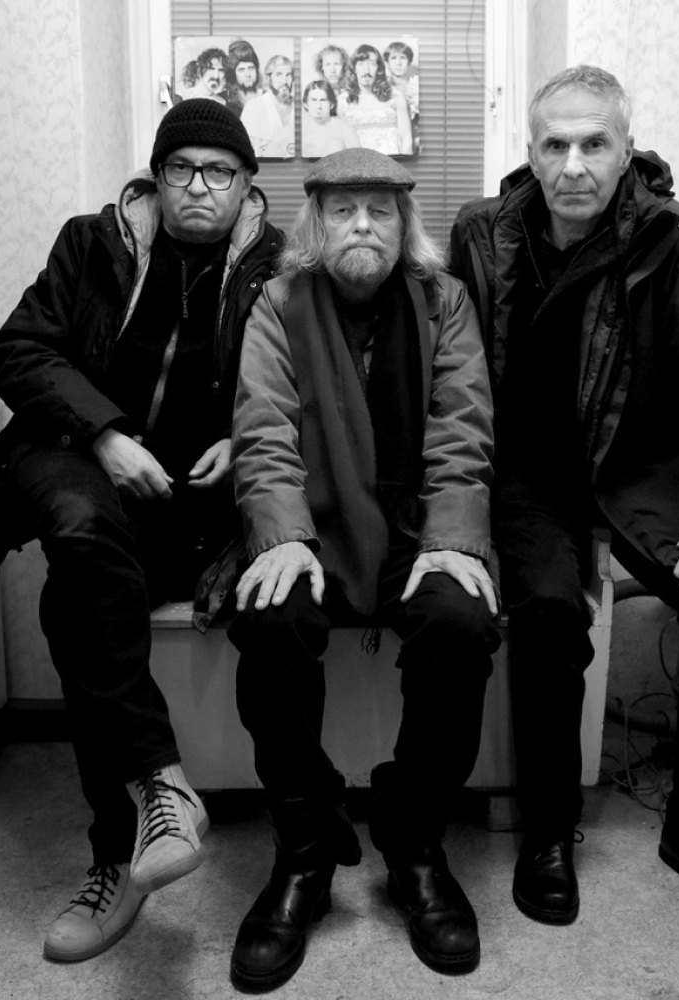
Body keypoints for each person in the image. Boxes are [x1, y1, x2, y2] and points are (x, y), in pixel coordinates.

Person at [449, 65, 679, 932]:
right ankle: (546, 832)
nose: (574, 165)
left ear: (626, 150)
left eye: (594, 144)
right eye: (555, 145)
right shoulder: (481, 234)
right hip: (529, 468)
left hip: (643, 458)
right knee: (548, 611)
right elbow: (449, 370)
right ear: (531, 152)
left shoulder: (678, 238)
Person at [0, 100, 284, 962]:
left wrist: (245, 437)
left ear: (247, 186)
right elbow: (19, 350)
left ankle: (123, 846)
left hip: (192, 501)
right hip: (76, 457)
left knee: (74, 603)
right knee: (79, 527)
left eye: (219, 172)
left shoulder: (275, 267)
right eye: (180, 168)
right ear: (155, 177)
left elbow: (296, 380)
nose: (198, 187)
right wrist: (105, 435)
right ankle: (155, 794)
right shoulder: (92, 244)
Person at [226, 147, 499, 991]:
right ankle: (305, 850)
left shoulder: (444, 300)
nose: (362, 227)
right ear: (316, 223)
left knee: (461, 621)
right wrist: (283, 537)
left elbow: (462, 426)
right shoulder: (279, 302)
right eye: (344, 211)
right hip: (317, 528)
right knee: (268, 618)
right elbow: (263, 429)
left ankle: (414, 843)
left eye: (380, 211)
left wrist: (453, 538)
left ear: (403, 223)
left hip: (419, 530)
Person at [339, 44, 412, 156]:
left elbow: (406, 138)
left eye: (372, 64)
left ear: (379, 69)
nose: (367, 70)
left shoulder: (396, 97)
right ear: (354, 68)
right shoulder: (343, 101)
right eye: (361, 64)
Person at [240, 54, 295, 159]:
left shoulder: (301, 107)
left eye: (288, 75)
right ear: (269, 78)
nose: (284, 81)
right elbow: (245, 151)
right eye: (278, 74)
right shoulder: (253, 107)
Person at [299, 80, 360, 158]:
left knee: (334, 143)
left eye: (323, 100)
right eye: (314, 100)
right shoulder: (298, 130)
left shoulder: (345, 128)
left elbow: (358, 159)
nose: (318, 106)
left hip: (337, 165)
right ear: (305, 104)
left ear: (332, 104)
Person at [224, 39, 261, 117]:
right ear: (233, 74)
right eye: (241, 70)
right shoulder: (227, 102)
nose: (248, 74)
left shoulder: (267, 97)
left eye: (251, 68)